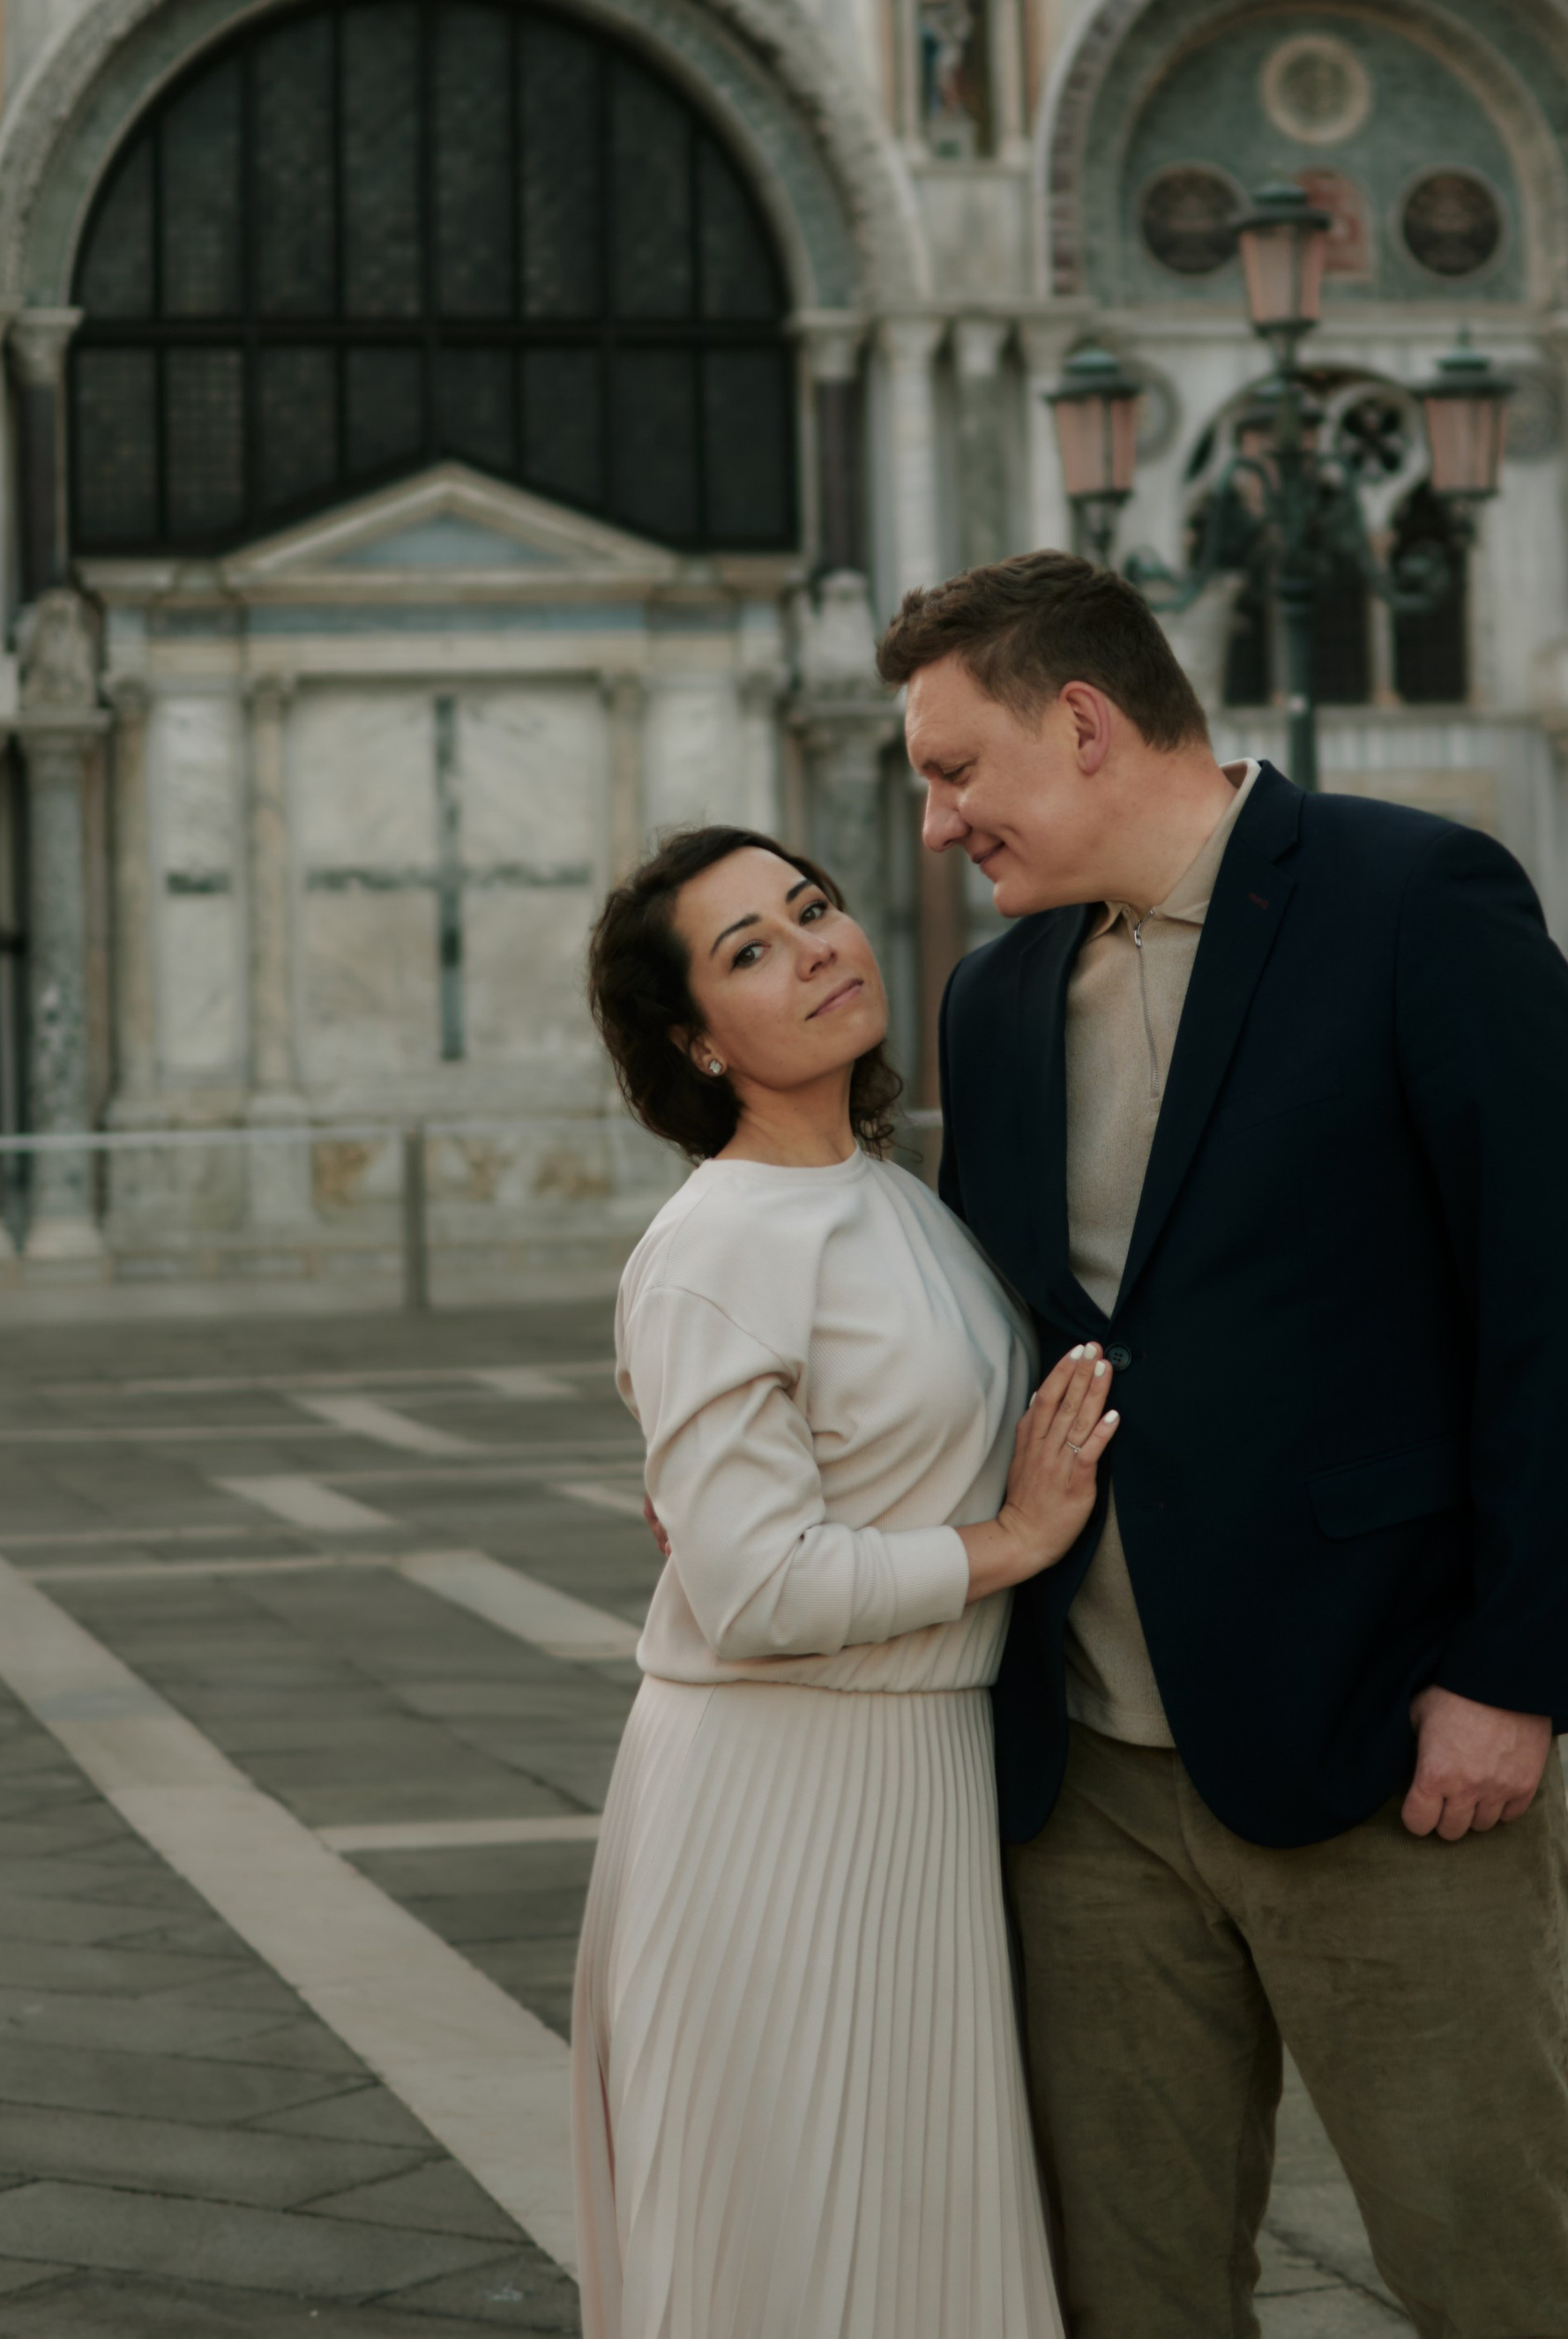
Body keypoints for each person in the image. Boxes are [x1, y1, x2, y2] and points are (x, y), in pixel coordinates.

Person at [879, 550, 1568, 2339]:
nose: (935, 827)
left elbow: (1561, 1307)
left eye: (952, 769)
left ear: (1078, 724)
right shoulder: (991, 1008)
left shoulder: (1411, 898)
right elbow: (978, 1325)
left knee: (1487, 2276)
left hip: (1390, 1749)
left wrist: (1509, 1674)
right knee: (1130, 2299)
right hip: (1079, 1789)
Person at [574, 823, 1111, 2339]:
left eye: (810, 909)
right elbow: (751, 1590)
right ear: (694, 1040)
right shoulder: (717, 1244)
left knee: (920, 2242)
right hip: (775, 1798)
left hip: (916, 1779)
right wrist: (1007, 1542)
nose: (815, 948)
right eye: (750, 950)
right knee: (798, 2251)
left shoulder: (899, 1195)